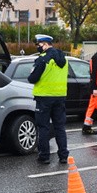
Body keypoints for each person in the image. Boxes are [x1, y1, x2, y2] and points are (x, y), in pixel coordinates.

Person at [27, 33, 69, 164]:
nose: (38, 47)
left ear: (45, 44)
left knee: (43, 127)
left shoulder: (43, 59)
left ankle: (44, 156)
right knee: (60, 127)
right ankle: (63, 156)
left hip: (44, 97)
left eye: (39, 45)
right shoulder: (64, 59)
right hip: (60, 96)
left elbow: (32, 78)